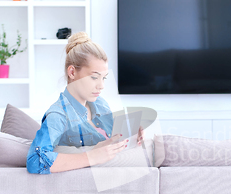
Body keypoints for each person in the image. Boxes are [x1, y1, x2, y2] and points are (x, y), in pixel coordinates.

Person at [26, 31, 144, 174]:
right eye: (94, 77)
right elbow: (35, 161)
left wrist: (131, 136)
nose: (101, 86)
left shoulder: (100, 103)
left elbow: (111, 141)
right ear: (72, 73)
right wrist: (91, 157)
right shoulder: (58, 115)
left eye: (104, 78)